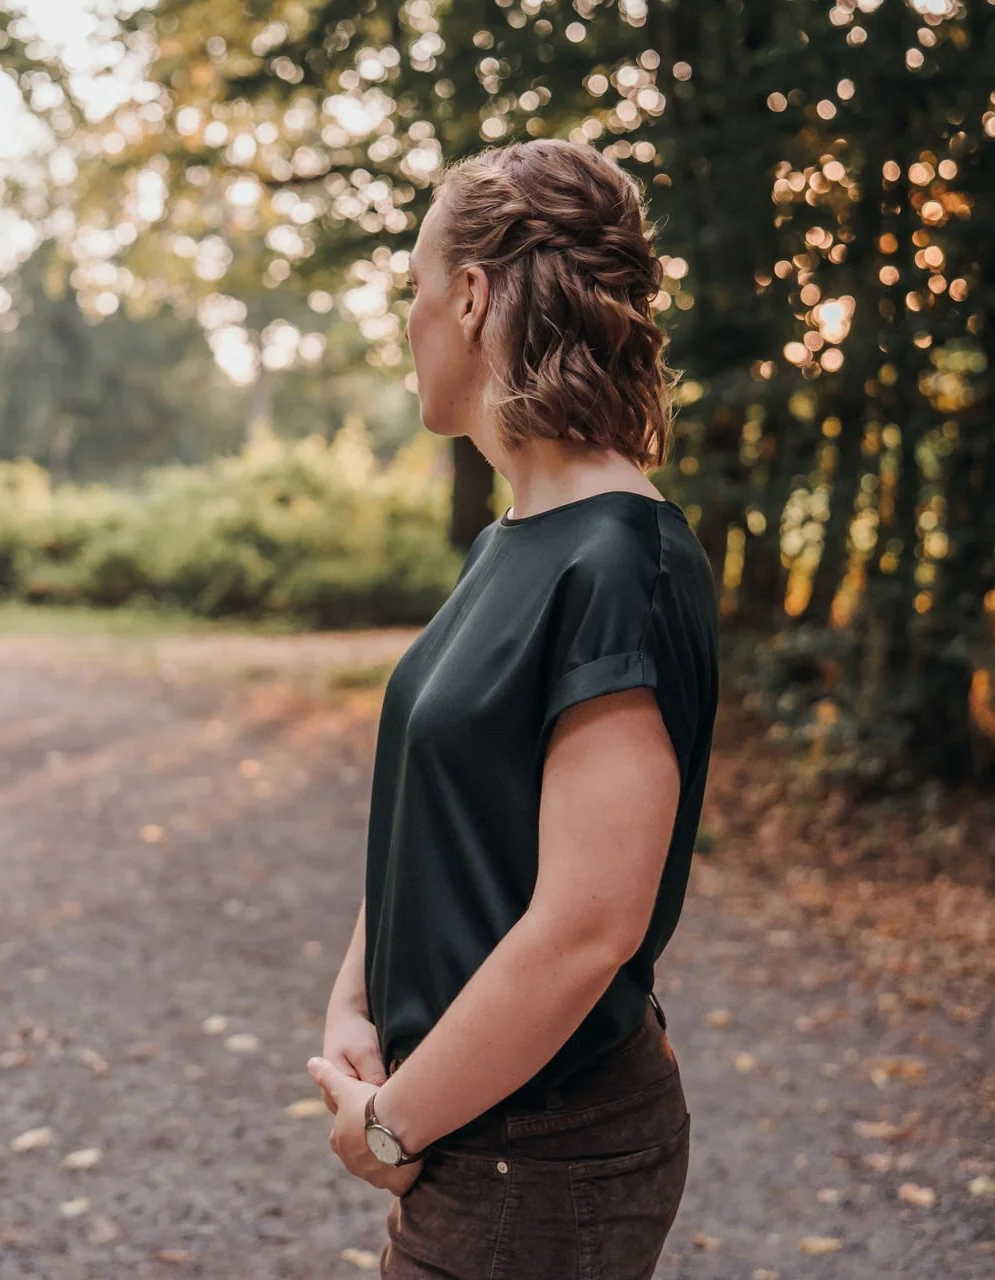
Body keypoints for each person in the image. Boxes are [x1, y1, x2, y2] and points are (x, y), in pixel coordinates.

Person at [303, 136, 721, 1279]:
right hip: (474, 1129)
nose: (407, 320)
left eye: (416, 288)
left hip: (545, 1156)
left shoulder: (618, 565)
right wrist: (360, 1001)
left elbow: (588, 925)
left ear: (474, 297)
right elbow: (441, 805)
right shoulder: (512, 543)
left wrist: (392, 1123)